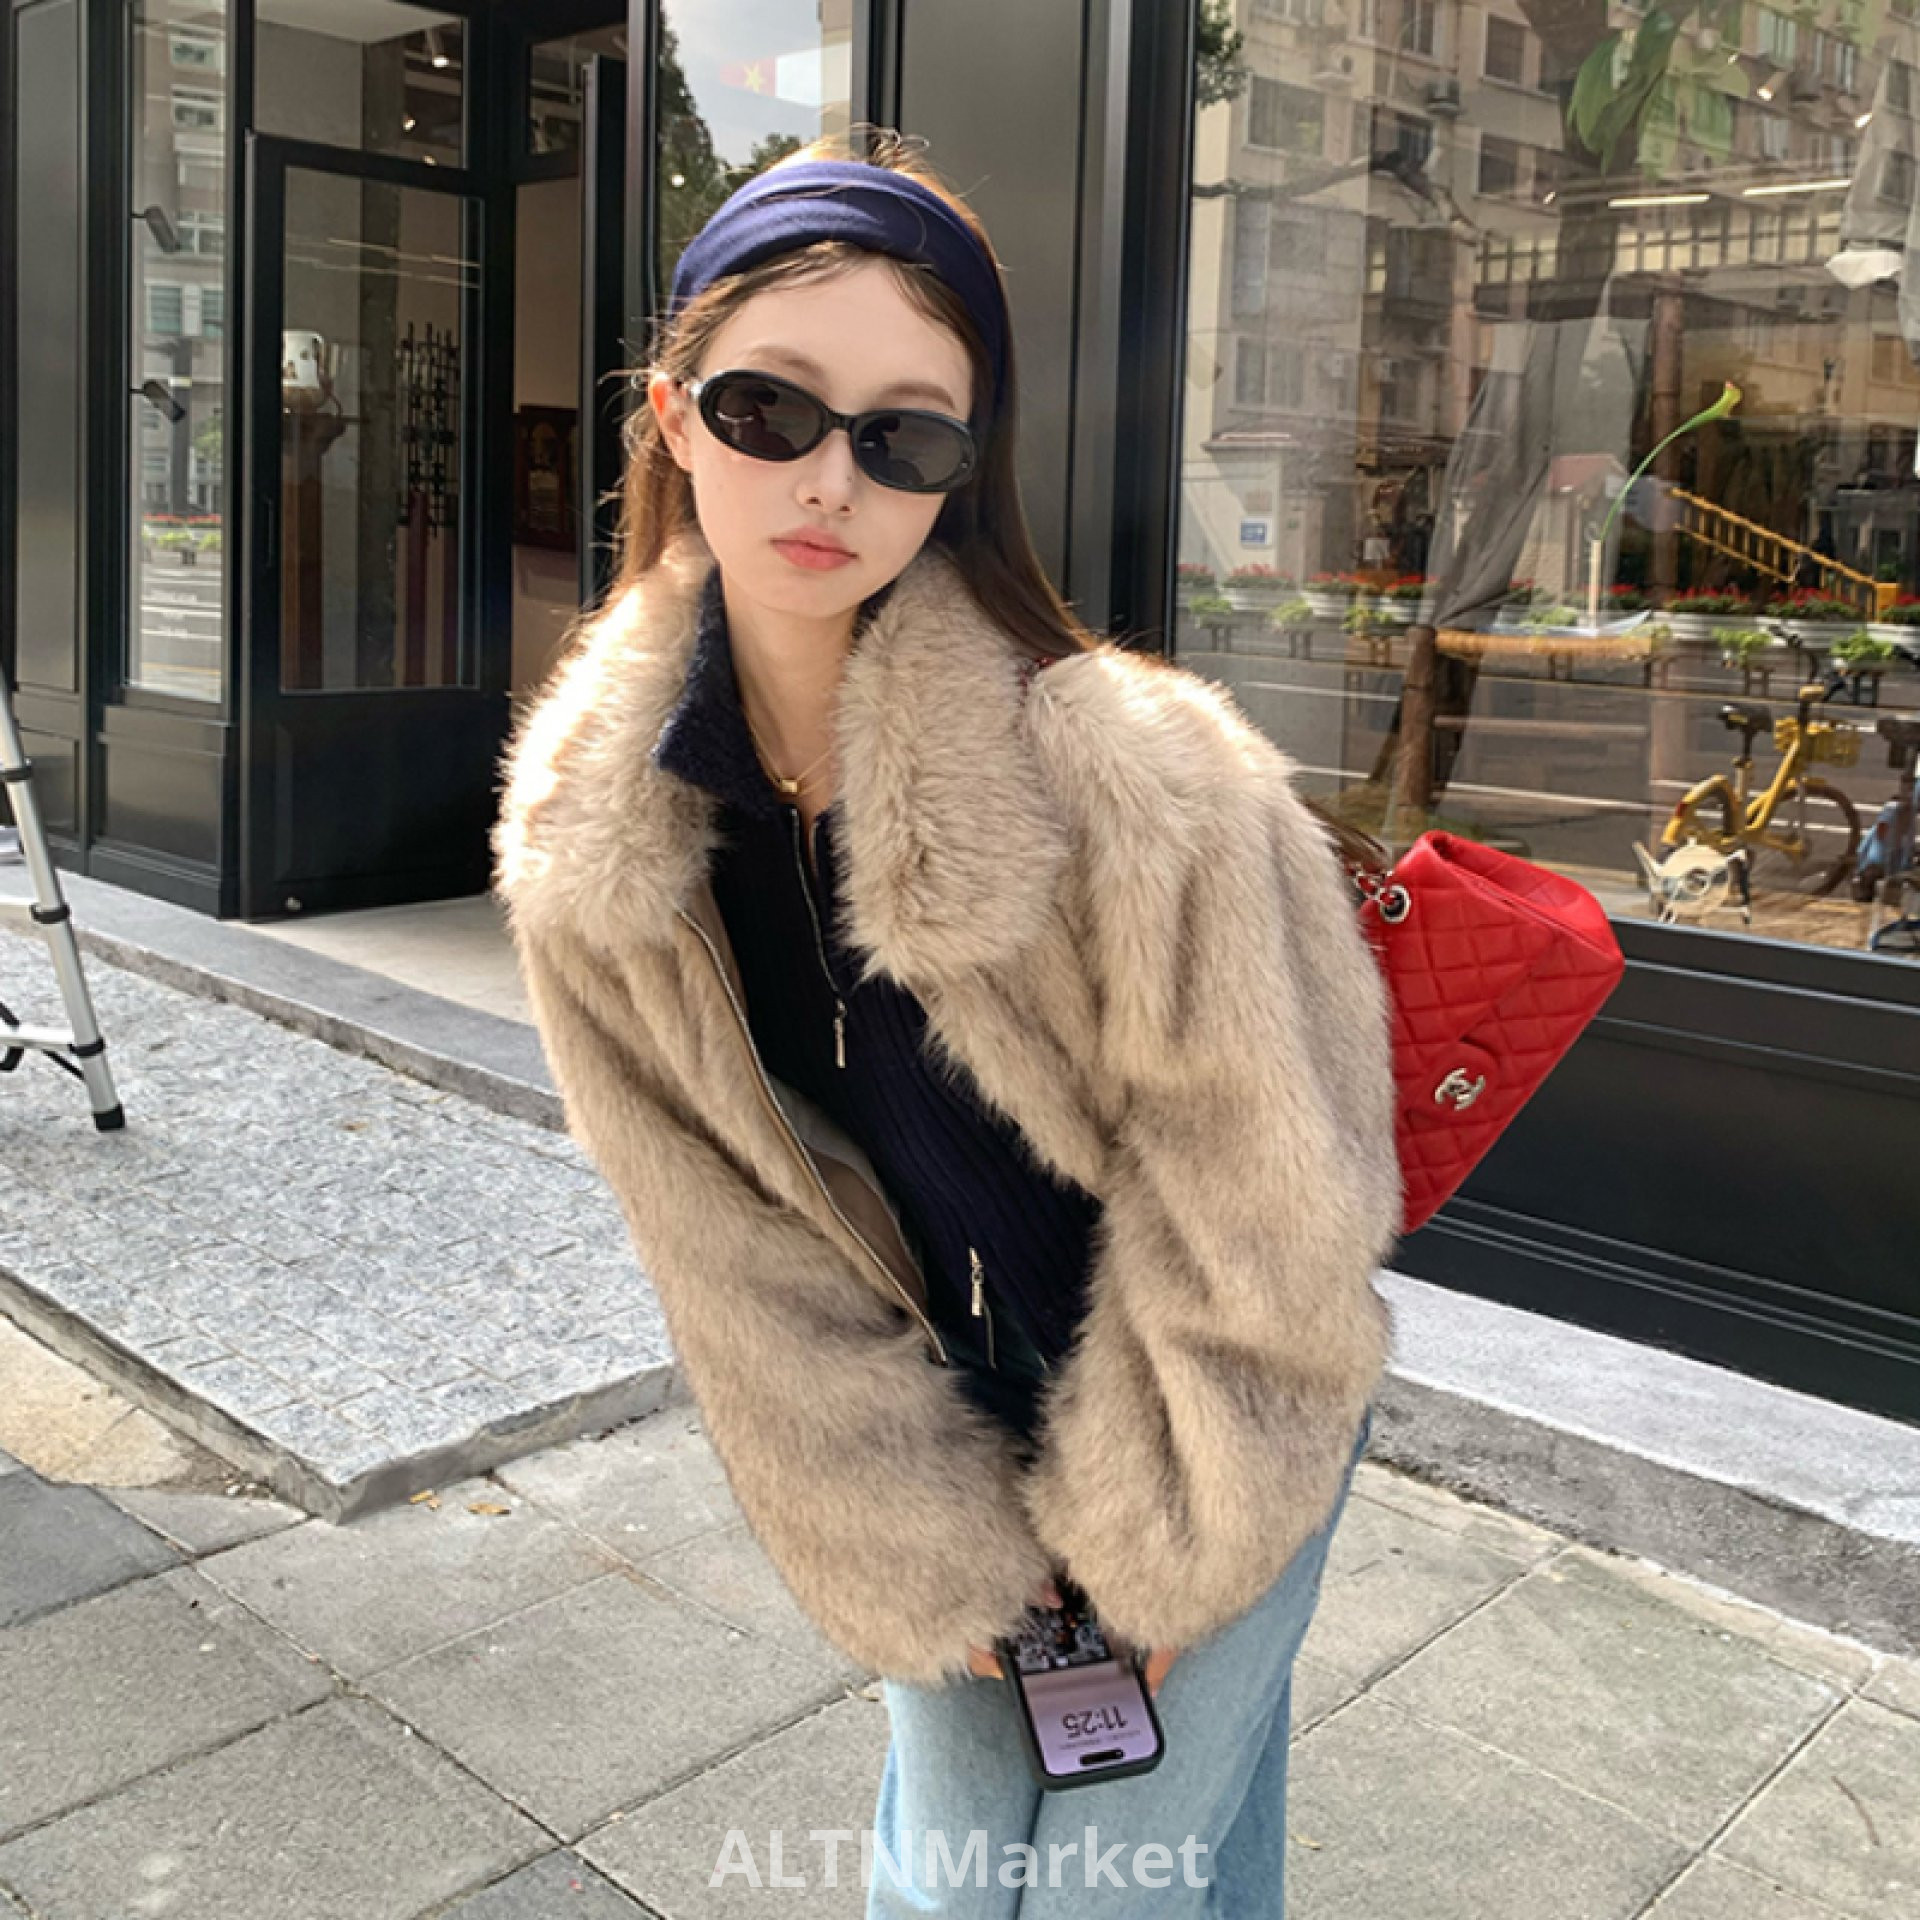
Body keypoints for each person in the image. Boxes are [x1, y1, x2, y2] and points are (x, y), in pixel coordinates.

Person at [492, 129, 1401, 1917]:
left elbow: (1270, 1203)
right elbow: (718, 1243)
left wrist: (1172, 1541)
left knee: (1113, 1886)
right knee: (976, 1875)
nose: (830, 478)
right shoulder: (596, 837)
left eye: (903, 437)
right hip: (932, 1426)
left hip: (1223, 1402)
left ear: (962, 475)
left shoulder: (1139, 778)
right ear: (672, 417)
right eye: (769, 410)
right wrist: (906, 1526)